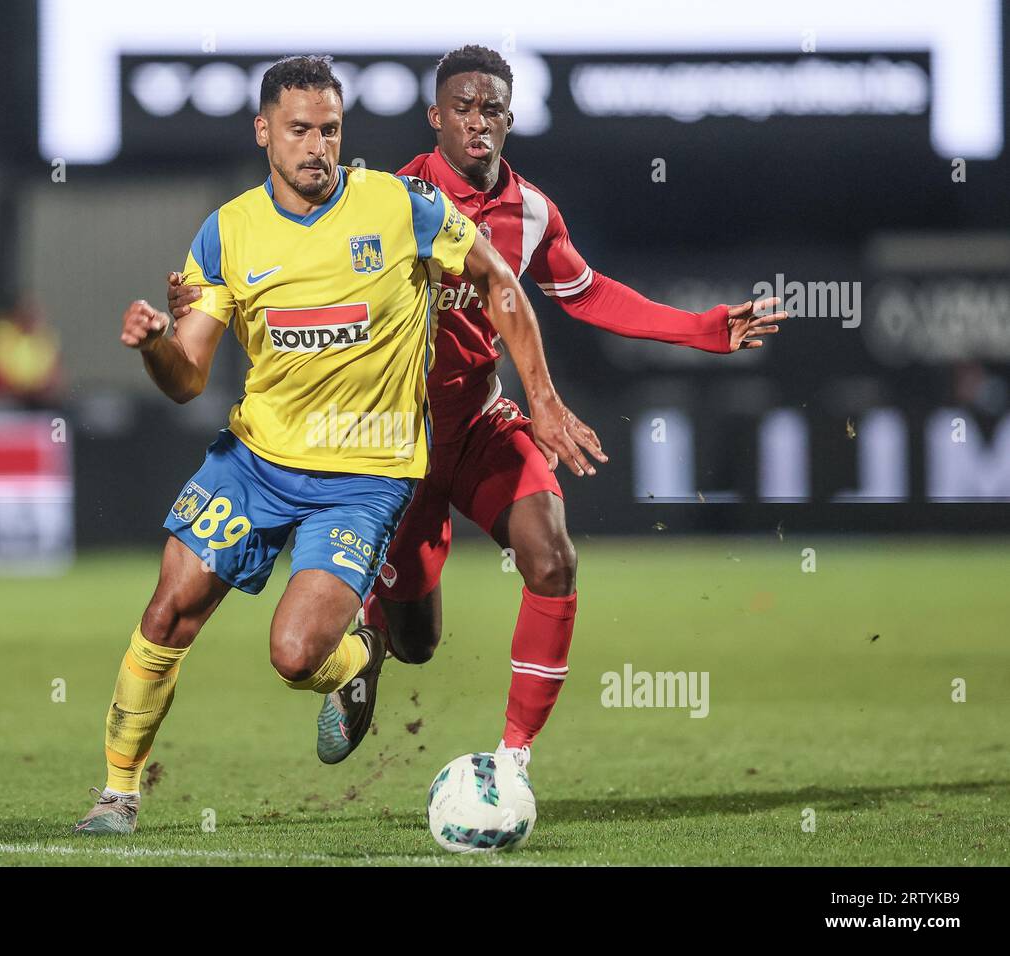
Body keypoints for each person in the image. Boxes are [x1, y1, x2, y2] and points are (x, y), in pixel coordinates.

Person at [168, 45, 786, 778]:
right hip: (395, 450)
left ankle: (513, 762)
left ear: (510, 119)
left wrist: (702, 329)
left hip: (481, 426)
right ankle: (366, 649)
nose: (477, 122)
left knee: (552, 558)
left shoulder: (529, 212)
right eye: (461, 108)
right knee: (419, 640)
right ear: (436, 118)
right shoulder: (387, 202)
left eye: (491, 108)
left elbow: (585, 292)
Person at [74, 54, 601, 834]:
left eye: (330, 130)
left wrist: (544, 400)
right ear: (264, 133)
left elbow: (498, 282)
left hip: (363, 477)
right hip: (256, 460)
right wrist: (156, 342)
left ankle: (354, 656)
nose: (317, 146)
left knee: (294, 656)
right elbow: (186, 377)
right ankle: (117, 794)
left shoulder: (400, 206)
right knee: (168, 612)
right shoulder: (228, 233)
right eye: (299, 130)